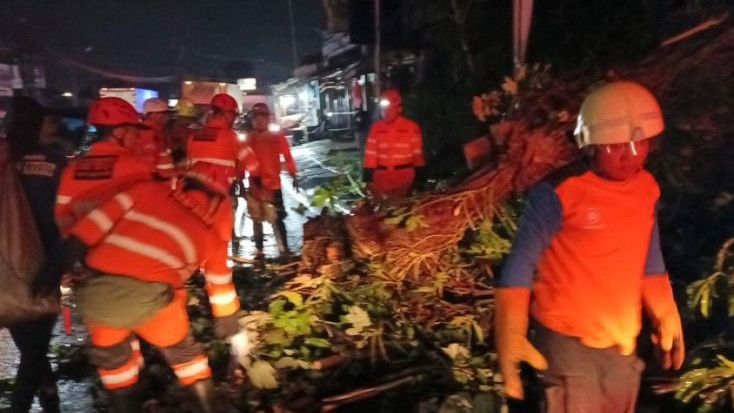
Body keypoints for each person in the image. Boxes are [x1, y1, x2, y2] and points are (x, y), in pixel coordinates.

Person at [494, 81, 685, 413]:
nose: (630, 155)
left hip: (622, 345)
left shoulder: (646, 188)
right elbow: (519, 267)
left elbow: (649, 257)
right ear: (590, 145)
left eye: (639, 143)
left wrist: (666, 313)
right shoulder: (559, 193)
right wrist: (510, 335)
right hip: (567, 345)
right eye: (615, 146)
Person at [52, 162, 243, 413]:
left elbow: (86, 231)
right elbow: (220, 285)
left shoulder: (144, 191)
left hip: (102, 295)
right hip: (157, 304)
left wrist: (54, 274)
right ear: (217, 202)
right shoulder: (211, 238)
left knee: (115, 368)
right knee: (187, 359)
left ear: (183, 182)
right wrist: (228, 324)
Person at [5, 96, 62, 413]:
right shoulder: (55, 163)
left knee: (29, 342)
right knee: (35, 347)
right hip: (45, 263)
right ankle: (21, 406)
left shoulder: (3, 159)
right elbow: (69, 215)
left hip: (6, 263)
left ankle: (49, 391)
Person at [55, 97, 153, 237]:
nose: (138, 138)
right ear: (119, 132)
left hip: (81, 250)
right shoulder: (136, 167)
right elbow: (148, 215)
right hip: (119, 250)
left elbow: (62, 217)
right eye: (135, 132)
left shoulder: (71, 170)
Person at [246, 103, 298, 259]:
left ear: (267, 119)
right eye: (256, 118)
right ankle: (259, 250)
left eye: (262, 118)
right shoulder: (249, 139)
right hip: (255, 185)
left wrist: (294, 174)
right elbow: (242, 160)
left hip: (273, 185)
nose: (258, 121)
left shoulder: (276, 137)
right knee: (257, 218)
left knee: (278, 218)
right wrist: (238, 179)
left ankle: (284, 249)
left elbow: (287, 156)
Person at [363, 89, 425, 198]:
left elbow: (418, 156)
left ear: (399, 109)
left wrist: (420, 179)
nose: (386, 113)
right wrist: (368, 179)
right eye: (384, 110)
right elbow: (370, 156)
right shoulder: (376, 128)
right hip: (382, 178)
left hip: (404, 178)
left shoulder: (411, 127)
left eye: (390, 110)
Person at [138, 98, 176, 179]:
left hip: (166, 179)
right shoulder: (146, 133)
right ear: (152, 114)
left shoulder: (159, 131)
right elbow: (148, 162)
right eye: (163, 113)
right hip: (157, 181)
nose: (166, 116)